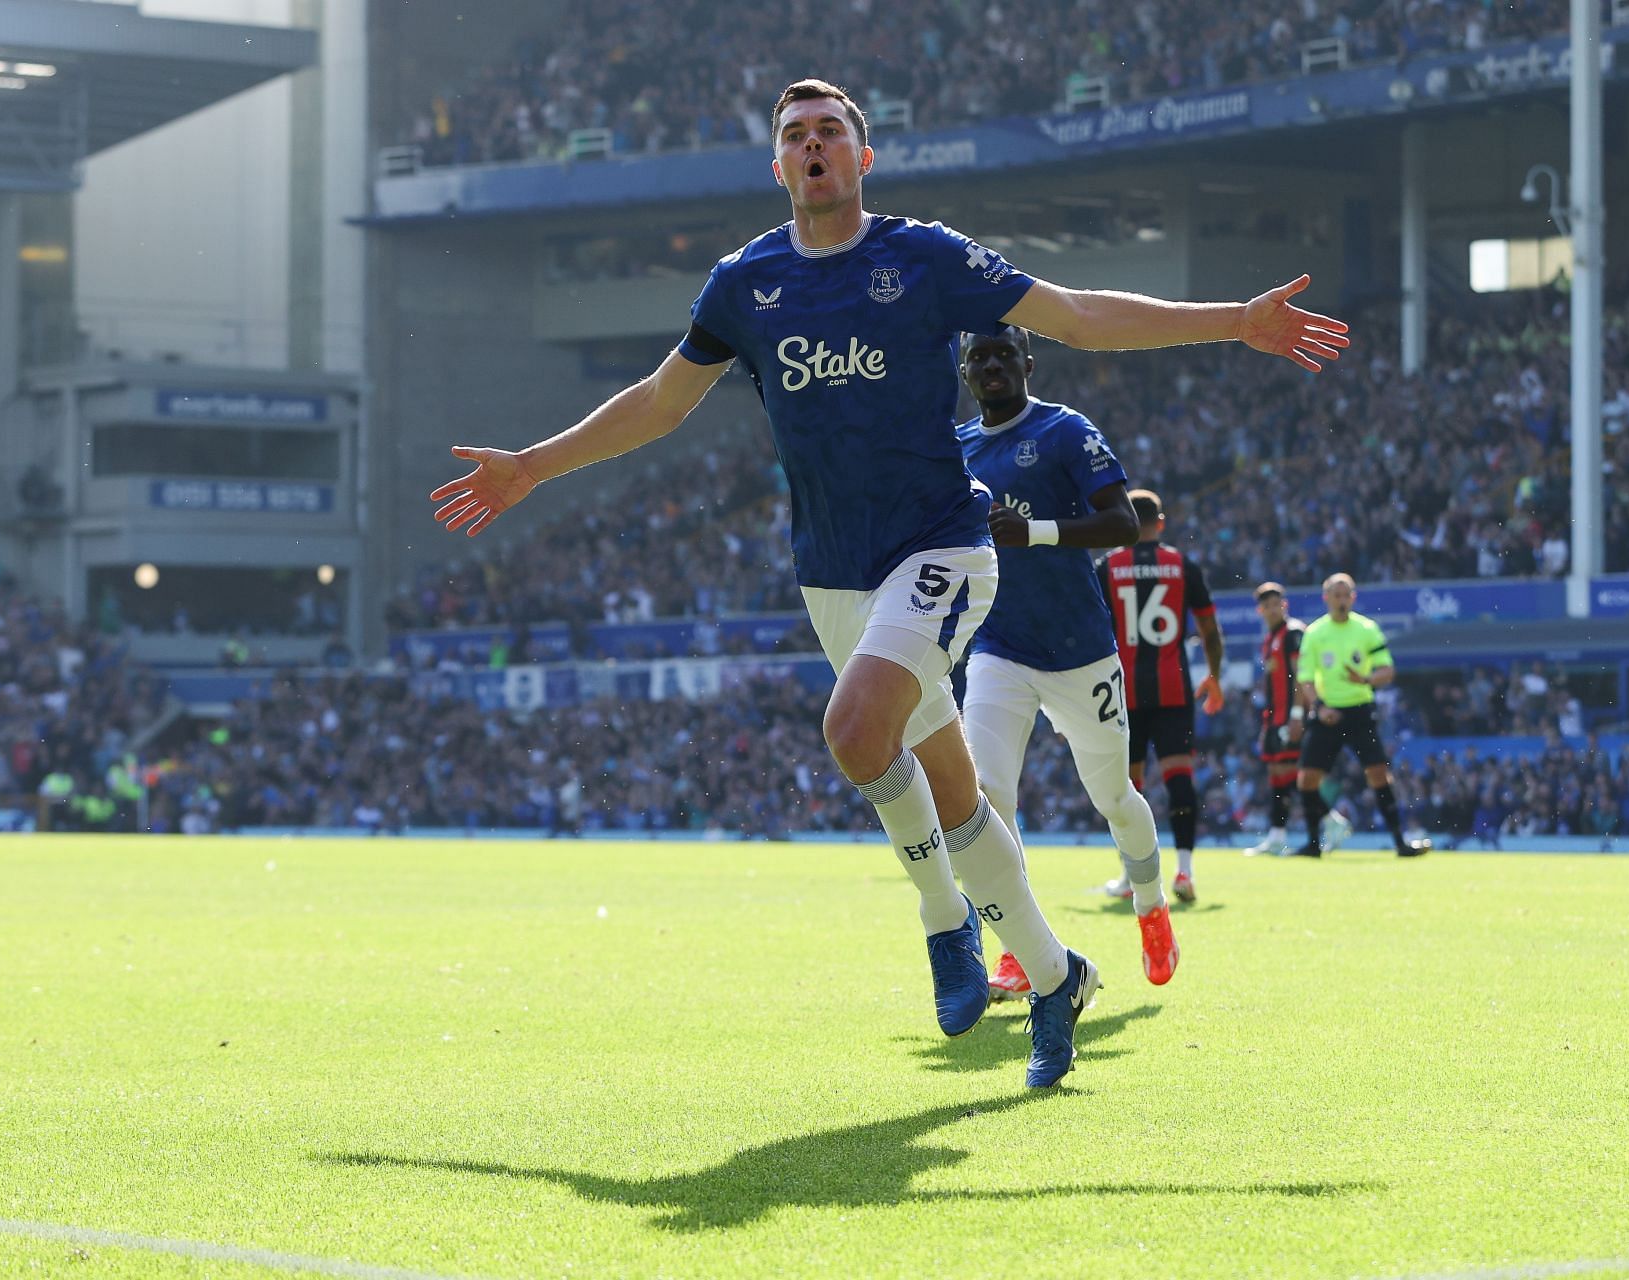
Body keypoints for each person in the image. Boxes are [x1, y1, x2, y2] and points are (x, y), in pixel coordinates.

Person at [428, 79, 1349, 1087]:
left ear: (864, 158)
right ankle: (1055, 975)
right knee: (956, 797)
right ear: (776, 165)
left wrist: (1233, 320)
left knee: (854, 727)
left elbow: (1079, 317)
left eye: (831, 131)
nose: (813, 145)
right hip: (832, 572)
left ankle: (943, 923)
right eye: (794, 135)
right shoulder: (745, 282)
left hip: (943, 545)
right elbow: (658, 402)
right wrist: (532, 464)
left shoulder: (925, 255)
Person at [953, 325, 1178, 1000]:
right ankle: (1024, 950)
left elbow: (1122, 525)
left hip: (1080, 651)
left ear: (1028, 361)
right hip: (998, 647)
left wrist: (1036, 532)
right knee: (986, 797)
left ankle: (1151, 907)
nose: (992, 364)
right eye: (978, 356)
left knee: (1115, 798)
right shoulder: (953, 449)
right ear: (965, 371)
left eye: (1003, 354)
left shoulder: (1065, 430)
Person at [1100, 490, 1225, 902]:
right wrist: (1214, 676)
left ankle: (1130, 877)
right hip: (1173, 691)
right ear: (1162, 522)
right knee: (1179, 778)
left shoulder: (1108, 567)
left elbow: (1092, 634)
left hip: (1125, 693)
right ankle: (1185, 871)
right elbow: (1208, 629)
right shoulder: (1182, 565)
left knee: (1126, 787)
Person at [1293, 573, 1430, 858]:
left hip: (1359, 711)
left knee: (1378, 774)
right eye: (1336, 595)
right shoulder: (1315, 633)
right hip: (1327, 712)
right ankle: (1313, 844)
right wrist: (1319, 707)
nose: (1341, 600)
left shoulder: (1367, 630)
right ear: (1326, 598)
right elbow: (1305, 678)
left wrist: (1365, 679)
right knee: (1306, 779)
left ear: (1353, 598)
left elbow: (1387, 671)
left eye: (1346, 595)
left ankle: (1399, 842)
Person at [1244, 582, 1305, 857]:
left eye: (1275, 604)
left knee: (1292, 774)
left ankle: (1331, 821)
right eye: (1266, 605)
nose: (1271, 609)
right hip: (1274, 718)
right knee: (1276, 775)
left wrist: (1297, 714)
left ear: (1284, 605)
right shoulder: (1269, 640)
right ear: (1260, 610)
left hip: (1290, 716)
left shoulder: (1293, 634)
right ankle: (1277, 835)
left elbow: (1301, 677)